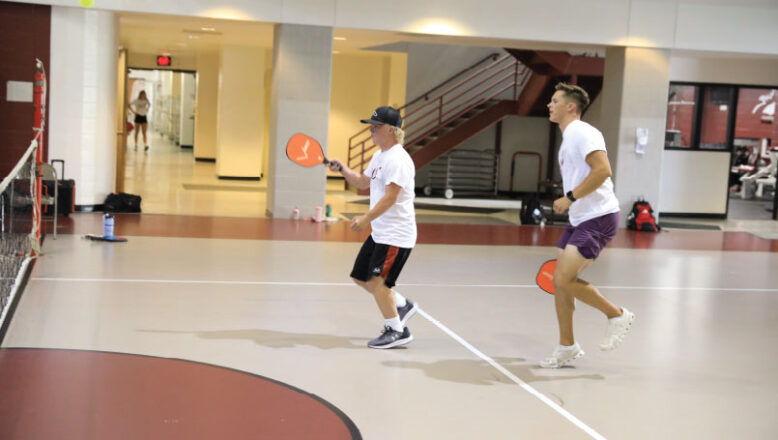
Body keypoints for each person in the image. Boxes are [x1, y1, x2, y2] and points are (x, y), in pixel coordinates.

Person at [540, 83, 635, 368]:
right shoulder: (569, 137)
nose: (549, 105)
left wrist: (569, 197)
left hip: (598, 216)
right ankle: (567, 346)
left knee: (563, 279)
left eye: (555, 101)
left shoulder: (582, 132)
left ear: (571, 106)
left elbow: (603, 170)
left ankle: (616, 314)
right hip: (580, 217)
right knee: (561, 284)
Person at [326, 106, 420, 349]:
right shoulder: (380, 156)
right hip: (381, 233)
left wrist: (365, 219)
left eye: (375, 127)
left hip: (396, 235)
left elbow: (391, 198)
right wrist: (343, 169)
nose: (371, 131)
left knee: (379, 283)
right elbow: (362, 182)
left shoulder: (399, 160)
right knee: (361, 277)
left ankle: (397, 331)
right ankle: (402, 305)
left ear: (391, 130)